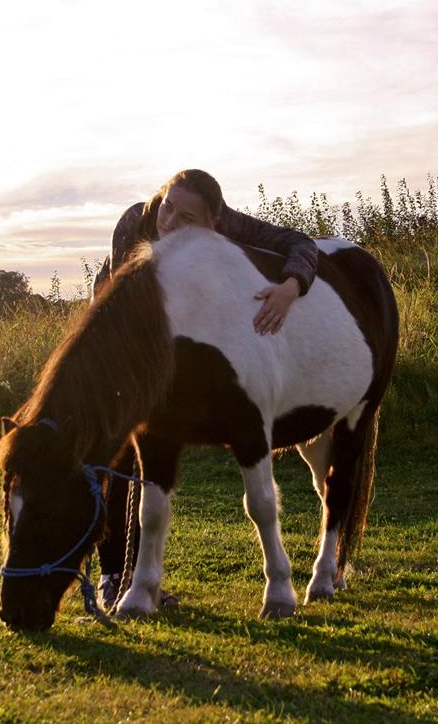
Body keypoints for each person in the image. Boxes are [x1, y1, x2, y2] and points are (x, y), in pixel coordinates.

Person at [90, 169, 318, 610]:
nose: (170, 223)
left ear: (213, 223)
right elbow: (127, 293)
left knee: (148, 463)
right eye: (168, 207)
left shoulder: (227, 225)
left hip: (170, 346)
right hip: (117, 336)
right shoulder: (136, 220)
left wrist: (290, 288)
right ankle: (111, 575)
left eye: (187, 218)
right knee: (119, 459)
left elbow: (302, 245)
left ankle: (140, 580)